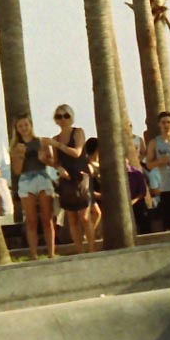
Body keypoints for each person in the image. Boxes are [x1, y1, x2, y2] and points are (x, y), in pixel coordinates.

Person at [48, 104, 98, 255]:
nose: (63, 119)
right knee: (72, 218)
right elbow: (56, 160)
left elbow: (77, 152)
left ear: (71, 117)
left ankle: (91, 249)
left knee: (84, 216)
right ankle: (79, 250)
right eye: (59, 116)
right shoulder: (55, 139)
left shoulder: (78, 132)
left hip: (81, 176)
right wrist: (58, 168)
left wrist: (57, 144)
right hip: (66, 180)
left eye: (66, 116)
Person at [9, 114, 57, 260]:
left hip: (42, 177)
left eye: (26, 125)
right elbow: (17, 171)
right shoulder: (15, 147)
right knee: (30, 220)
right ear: (17, 129)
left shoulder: (42, 142)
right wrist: (21, 155)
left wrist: (44, 159)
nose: (24, 128)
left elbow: (52, 162)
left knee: (47, 218)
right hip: (26, 180)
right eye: (20, 126)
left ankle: (51, 253)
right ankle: (34, 254)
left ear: (31, 125)